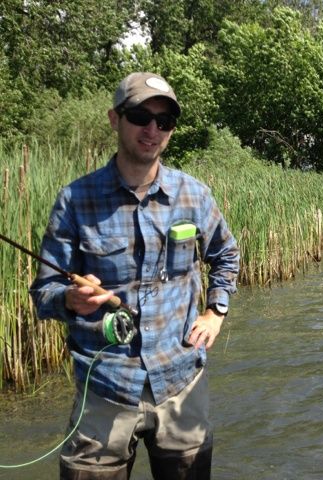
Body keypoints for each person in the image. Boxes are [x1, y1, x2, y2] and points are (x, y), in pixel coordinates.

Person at [30, 72, 240, 480]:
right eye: (141, 115)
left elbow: (226, 254)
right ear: (115, 118)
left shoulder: (193, 194)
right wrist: (69, 300)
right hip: (104, 385)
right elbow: (44, 291)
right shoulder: (75, 200)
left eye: (164, 122)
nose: (152, 129)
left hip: (182, 381)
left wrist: (216, 310)